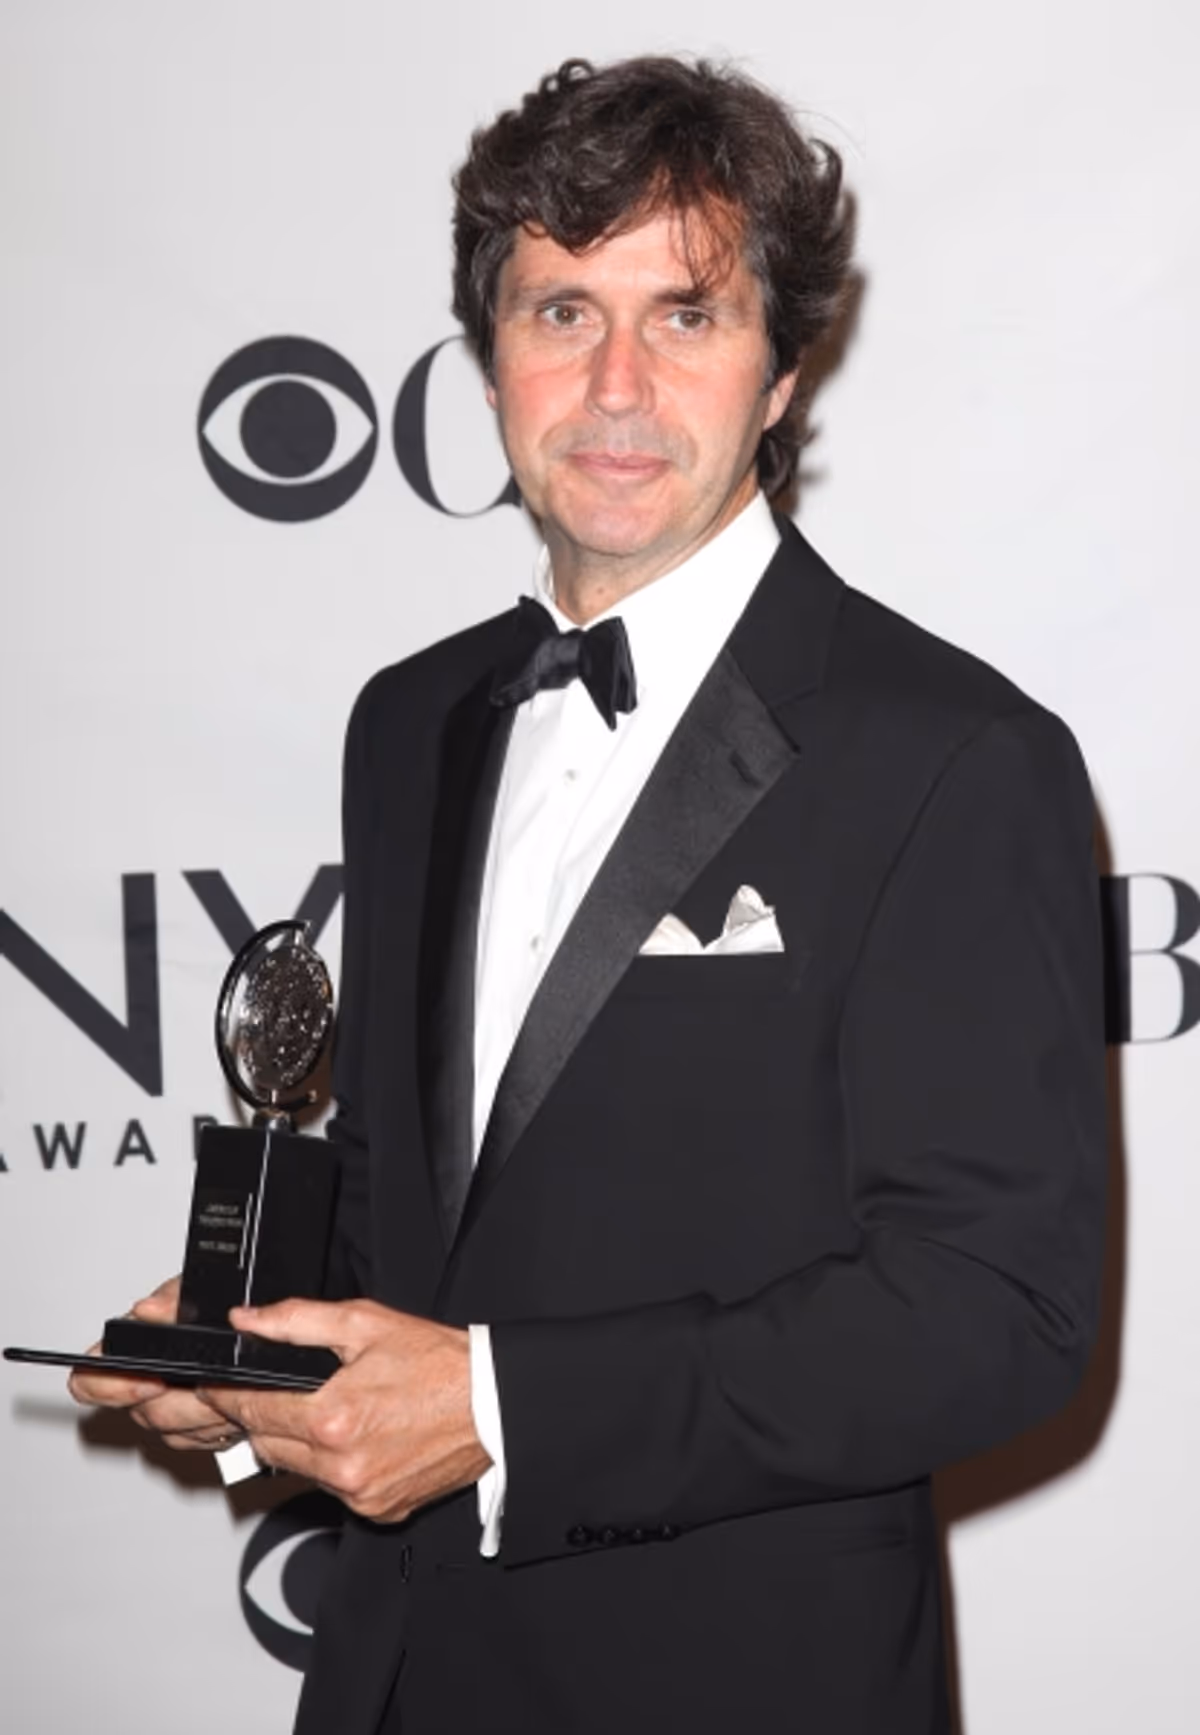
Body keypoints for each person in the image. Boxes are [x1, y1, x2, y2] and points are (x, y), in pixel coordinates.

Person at [71, 55, 1108, 1734]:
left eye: (685, 315)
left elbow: (995, 1310)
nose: (616, 382)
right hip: (400, 1677)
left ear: (781, 373)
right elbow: (463, 1204)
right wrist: (244, 1333)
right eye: (561, 311)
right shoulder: (412, 719)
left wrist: (500, 1406)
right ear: (488, 363)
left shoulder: (956, 756)